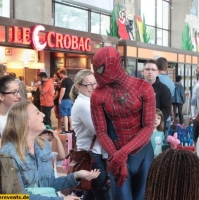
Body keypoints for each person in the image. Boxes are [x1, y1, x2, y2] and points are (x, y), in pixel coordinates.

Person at [91, 47, 156, 200]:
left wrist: (120, 154)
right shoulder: (97, 95)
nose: (96, 75)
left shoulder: (144, 88)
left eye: (100, 70)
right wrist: (118, 156)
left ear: (114, 65)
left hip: (141, 153)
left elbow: (148, 127)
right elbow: (101, 132)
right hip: (118, 154)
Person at [0, 101, 100, 199]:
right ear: (25, 121)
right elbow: (14, 196)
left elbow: (49, 184)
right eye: (37, 112)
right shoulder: (7, 154)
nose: (43, 115)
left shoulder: (43, 146)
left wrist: (76, 175)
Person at [70, 69, 112, 200]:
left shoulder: (91, 101)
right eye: (88, 84)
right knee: (104, 194)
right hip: (91, 156)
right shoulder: (82, 105)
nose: (93, 87)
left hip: (96, 153)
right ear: (78, 86)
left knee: (92, 193)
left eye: (95, 83)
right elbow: (100, 130)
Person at [142, 59, 171, 128]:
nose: (150, 72)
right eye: (147, 69)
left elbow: (166, 109)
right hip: (139, 128)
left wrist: (156, 122)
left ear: (157, 72)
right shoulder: (137, 87)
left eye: (153, 70)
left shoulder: (164, 89)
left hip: (156, 128)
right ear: (143, 71)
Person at [156, 57, 175, 142]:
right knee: (165, 142)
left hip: (155, 119)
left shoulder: (155, 79)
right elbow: (170, 102)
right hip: (167, 118)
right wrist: (172, 115)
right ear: (166, 67)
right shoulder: (171, 82)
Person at [58, 68, 74, 133]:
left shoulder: (64, 80)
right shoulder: (71, 80)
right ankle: (71, 128)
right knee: (69, 114)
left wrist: (59, 99)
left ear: (62, 73)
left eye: (59, 74)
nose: (59, 75)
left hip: (64, 99)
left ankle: (66, 129)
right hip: (70, 99)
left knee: (64, 115)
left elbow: (63, 90)